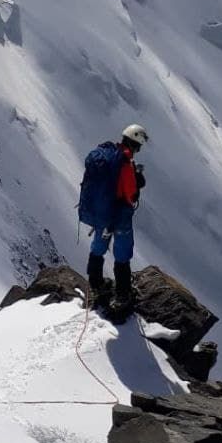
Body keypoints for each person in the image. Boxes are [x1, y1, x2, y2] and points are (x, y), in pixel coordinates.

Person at [79, 123, 149, 317]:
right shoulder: (125, 163)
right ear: (136, 144)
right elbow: (130, 195)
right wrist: (138, 182)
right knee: (122, 252)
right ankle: (122, 294)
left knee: (98, 247)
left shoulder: (108, 154)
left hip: (102, 214)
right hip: (119, 215)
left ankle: (95, 283)